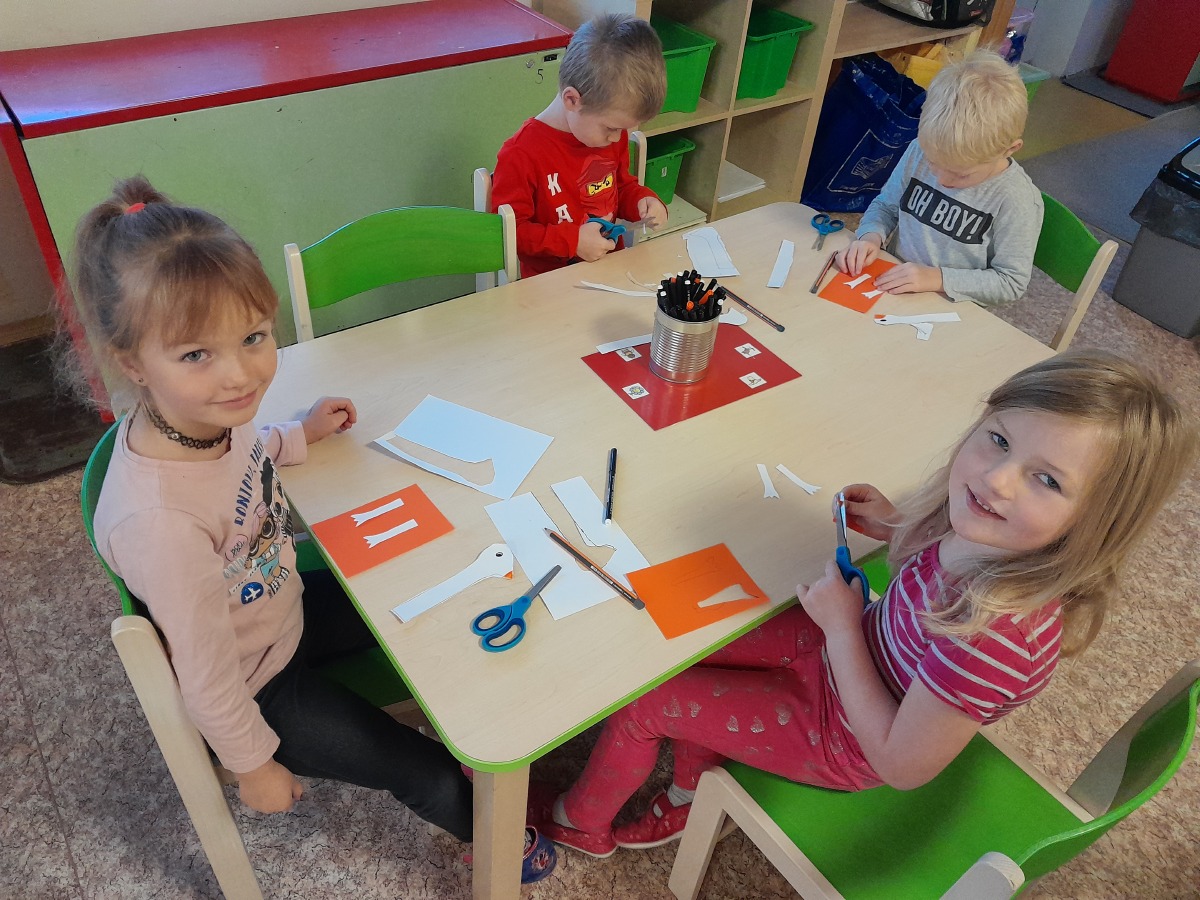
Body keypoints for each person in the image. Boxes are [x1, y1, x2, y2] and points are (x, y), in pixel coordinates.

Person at [70, 176, 555, 883]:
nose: (240, 376)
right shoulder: (160, 524)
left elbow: (243, 456)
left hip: (278, 608)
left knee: (430, 595)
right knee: (420, 769)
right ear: (131, 364)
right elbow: (205, 675)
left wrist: (298, 433)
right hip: (255, 686)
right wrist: (253, 765)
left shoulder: (201, 419)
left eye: (253, 337)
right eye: (197, 355)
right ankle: (499, 841)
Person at [532, 349, 1198, 857]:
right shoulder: (985, 527)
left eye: (1046, 480)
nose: (997, 481)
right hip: (849, 654)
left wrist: (845, 630)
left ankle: (581, 823)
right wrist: (895, 525)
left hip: (846, 736)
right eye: (998, 439)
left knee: (645, 704)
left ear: (1099, 521)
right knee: (689, 638)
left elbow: (899, 764)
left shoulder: (996, 637)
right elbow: (925, 568)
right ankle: (691, 782)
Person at [836, 50, 1043, 306]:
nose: (943, 180)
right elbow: (886, 205)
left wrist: (938, 278)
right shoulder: (920, 150)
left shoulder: (1017, 199)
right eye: (933, 163)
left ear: (1009, 150)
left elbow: (1010, 282)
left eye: (961, 174)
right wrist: (870, 236)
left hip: (952, 307)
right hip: (895, 288)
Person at [490, 13, 669, 279]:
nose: (617, 138)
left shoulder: (608, 134)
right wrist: (572, 241)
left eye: (623, 129)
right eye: (612, 128)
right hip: (550, 284)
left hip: (609, 270)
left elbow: (620, 188)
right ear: (572, 100)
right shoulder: (521, 154)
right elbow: (510, 233)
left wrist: (643, 201)